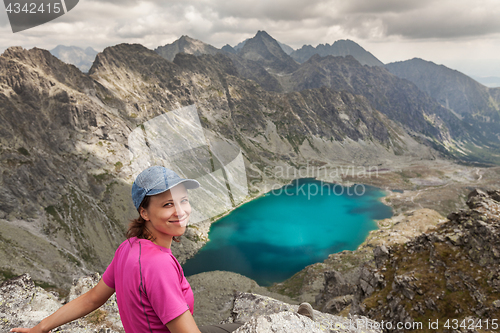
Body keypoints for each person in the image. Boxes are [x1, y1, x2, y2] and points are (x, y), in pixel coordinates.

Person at [11, 166, 314, 333]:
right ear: (144, 212)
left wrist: (40, 328)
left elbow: (91, 299)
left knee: (241, 326)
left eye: (183, 200)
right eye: (167, 204)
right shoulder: (157, 266)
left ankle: (292, 322)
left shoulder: (129, 248)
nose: (180, 211)